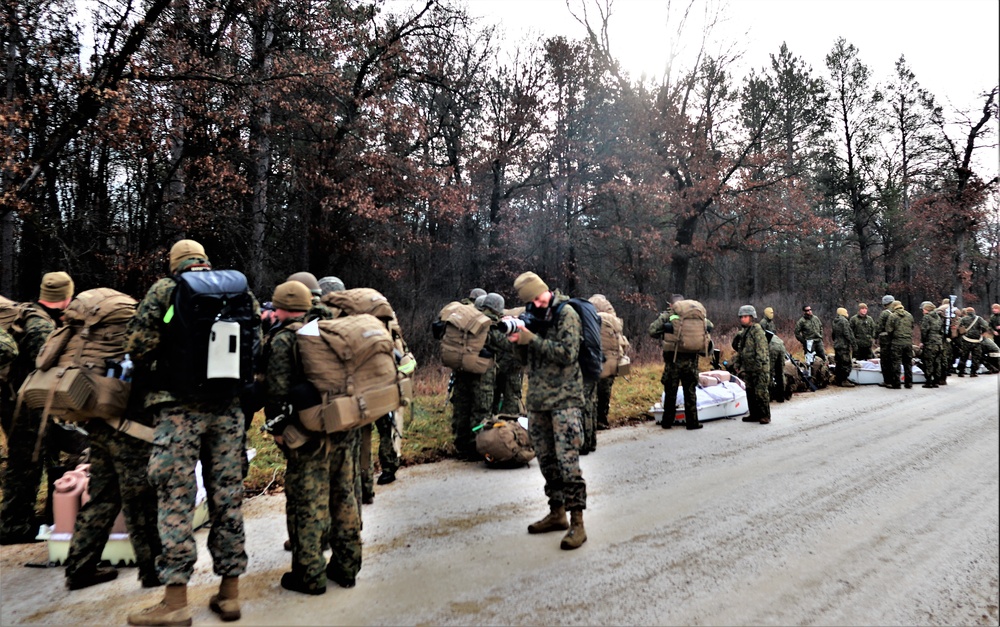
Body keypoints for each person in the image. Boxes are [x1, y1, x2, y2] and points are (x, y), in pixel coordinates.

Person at [125, 240, 259, 626]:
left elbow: (137, 345)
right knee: (228, 499)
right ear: (205, 262)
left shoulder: (166, 291)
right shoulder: (239, 290)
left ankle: (175, 602)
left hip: (178, 411)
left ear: (174, 264)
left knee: (176, 501)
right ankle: (230, 595)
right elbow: (255, 344)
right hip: (228, 410)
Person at [262, 281, 362, 595]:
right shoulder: (331, 329)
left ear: (280, 308)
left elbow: (277, 391)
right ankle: (347, 569)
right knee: (344, 498)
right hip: (343, 425)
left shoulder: (284, 339)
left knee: (308, 504)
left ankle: (309, 576)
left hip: (307, 434)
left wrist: (278, 431)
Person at [509, 271, 587, 550]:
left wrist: (533, 340)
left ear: (546, 291)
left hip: (565, 399)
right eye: (531, 300)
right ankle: (557, 513)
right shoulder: (531, 315)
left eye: (539, 297)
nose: (537, 303)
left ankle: (578, 522)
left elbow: (568, 354)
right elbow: (525, 359)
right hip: (538, 399)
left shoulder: (566, 314)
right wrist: (518, 341)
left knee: (568, 463)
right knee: (546, 460)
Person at [0, 271, 74, 545]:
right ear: (66, 296)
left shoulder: (30, 313)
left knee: (36, 458)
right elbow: (43, 366)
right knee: (26, 464)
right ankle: (15, 525)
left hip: (18, 399)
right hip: (24, 403)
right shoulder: (41, 325)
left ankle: (34, 517)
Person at [648, 295, 713, 431]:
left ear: (671, 305)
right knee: (690, 392)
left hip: (673, 361)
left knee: (670, 391)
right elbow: (710, 326)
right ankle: (692, 423)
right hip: (691, 361)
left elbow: (652, 331)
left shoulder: (668, 316)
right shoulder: (696, 316)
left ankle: (667, 422)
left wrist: (667, 331)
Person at [589, 294, 629, 432]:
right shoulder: (611, 315)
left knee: (590, 390)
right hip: (610, 359)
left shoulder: (588, 308)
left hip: (592, 357)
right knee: (605, 390)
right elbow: (619, 337)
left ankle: (590, 420)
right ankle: (602, 419)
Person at [732, 305, 771, 424]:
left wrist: (759, 365)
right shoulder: (744, 332)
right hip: (748, 367)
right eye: (741, 317)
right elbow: (741, 349)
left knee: (761, 392)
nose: (742, 319)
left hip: (759, 368)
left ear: (751, 317)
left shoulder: (757, 330)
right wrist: (737, 363)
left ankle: (765, 415)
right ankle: (754, 414)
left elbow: (761, 349)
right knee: (750, 391)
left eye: (745, 317)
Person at [884, 301, 914, 389]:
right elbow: (912, 327)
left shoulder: (892, 316)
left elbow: (889, 330)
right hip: (908, 343)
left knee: (896, 363)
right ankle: (909, 383)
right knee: (908, 363)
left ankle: (896, 383)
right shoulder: (909, 315)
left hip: (897, 343)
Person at [955, 306, 990, 377]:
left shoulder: (963, 319)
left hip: (966, 340)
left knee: (963, 356)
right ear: (974, 312)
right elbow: (986, 326)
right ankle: (973, 372)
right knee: (976, 357)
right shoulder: (979, 318)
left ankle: (961, 371)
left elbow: (958, 328)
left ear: (966, 312)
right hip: (976, 341)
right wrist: (981, 332)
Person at [918, 301, 943, 388]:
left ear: (927, 310)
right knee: (937, 363)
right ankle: (936, 381)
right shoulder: (938, 317)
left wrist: (923, 341)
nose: (922, 311)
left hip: (930, 343)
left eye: (924, 309)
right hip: (939, 342)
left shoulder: (927, 317)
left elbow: (924, 331)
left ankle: (928, 381)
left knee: (928, 362)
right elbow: (941, 330)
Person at [831, 307, 856, 387]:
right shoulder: (844, 321)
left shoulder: (835, 321)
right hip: (844, 345)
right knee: (846, 363)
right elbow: (847, 333)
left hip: (837, 345)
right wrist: (853, 343)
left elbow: (833, 334)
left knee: (839, 363)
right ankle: (844, 380)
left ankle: (838, 379)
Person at [876, 295, 896, 386]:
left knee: (885, 360)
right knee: (895, 360)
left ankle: (888, 381)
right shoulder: (899, 311)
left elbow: (879, 327)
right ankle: (896, 380)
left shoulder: (885, 313)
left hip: (886, 341)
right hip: (897, 340)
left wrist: (875, 336)